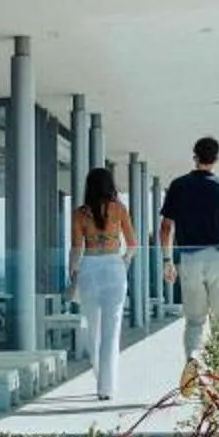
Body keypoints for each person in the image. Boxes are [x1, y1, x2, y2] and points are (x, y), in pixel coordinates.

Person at [157, 137, 219, 382]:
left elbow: (165, 228)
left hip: (189, 259)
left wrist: (167, 260)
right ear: (216, 159)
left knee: (194, 320)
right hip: (218, 259)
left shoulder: (178, 186)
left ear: (194, 156)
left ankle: (193, 359)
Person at [67, 166, 138, 401]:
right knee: (112, 330)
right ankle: (106, 387)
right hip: (113, 267)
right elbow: (132, 244)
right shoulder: (119, 209)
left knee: (93, 329)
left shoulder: (80, 213)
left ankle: (100, 379)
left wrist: (73, 273)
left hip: (89, 268)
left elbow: (77, 248)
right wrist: (123, 263)